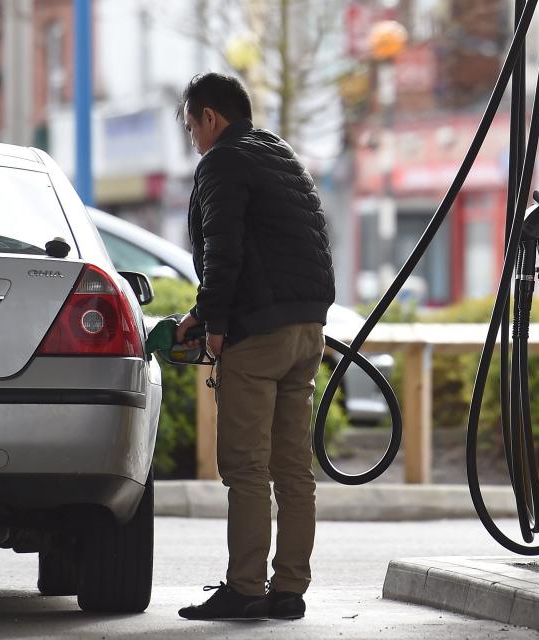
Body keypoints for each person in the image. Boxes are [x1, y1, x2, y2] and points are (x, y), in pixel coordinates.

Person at [174, 72, 335, 622]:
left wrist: (210, 318)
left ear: (210, 118)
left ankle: (244, 588)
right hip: (306, 331)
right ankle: (288, 589)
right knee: (292, 469)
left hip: (257, 334)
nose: (192, 137)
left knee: (245, 468)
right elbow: (311, 240)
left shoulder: (222, 161)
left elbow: (224, 246)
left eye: (191, 125)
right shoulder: (280, 154)